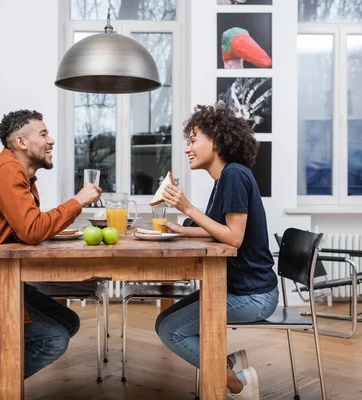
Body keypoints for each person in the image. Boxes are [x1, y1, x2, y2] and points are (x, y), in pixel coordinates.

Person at [0, 109, 102, 400]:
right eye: (43, 134)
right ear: (21, 142)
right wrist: (77, 201)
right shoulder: (6, 170)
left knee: (68, 321)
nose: (50, 140)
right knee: (53, 340)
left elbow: (27, 228)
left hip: (0, 281)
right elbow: (31, 229)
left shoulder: (19, 173)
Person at [154, 104, 278, 400]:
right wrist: (182, 230)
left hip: (252, 295)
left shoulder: (234, 175)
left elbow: (233, 239)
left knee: (171, 331)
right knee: (163, 321)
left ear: (217, 141)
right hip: (237, 289)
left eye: (194, 140)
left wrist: (186, 208)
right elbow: (220, 229)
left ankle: (237, 385)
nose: (188, 149)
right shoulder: (226, 178)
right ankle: (231, 364)